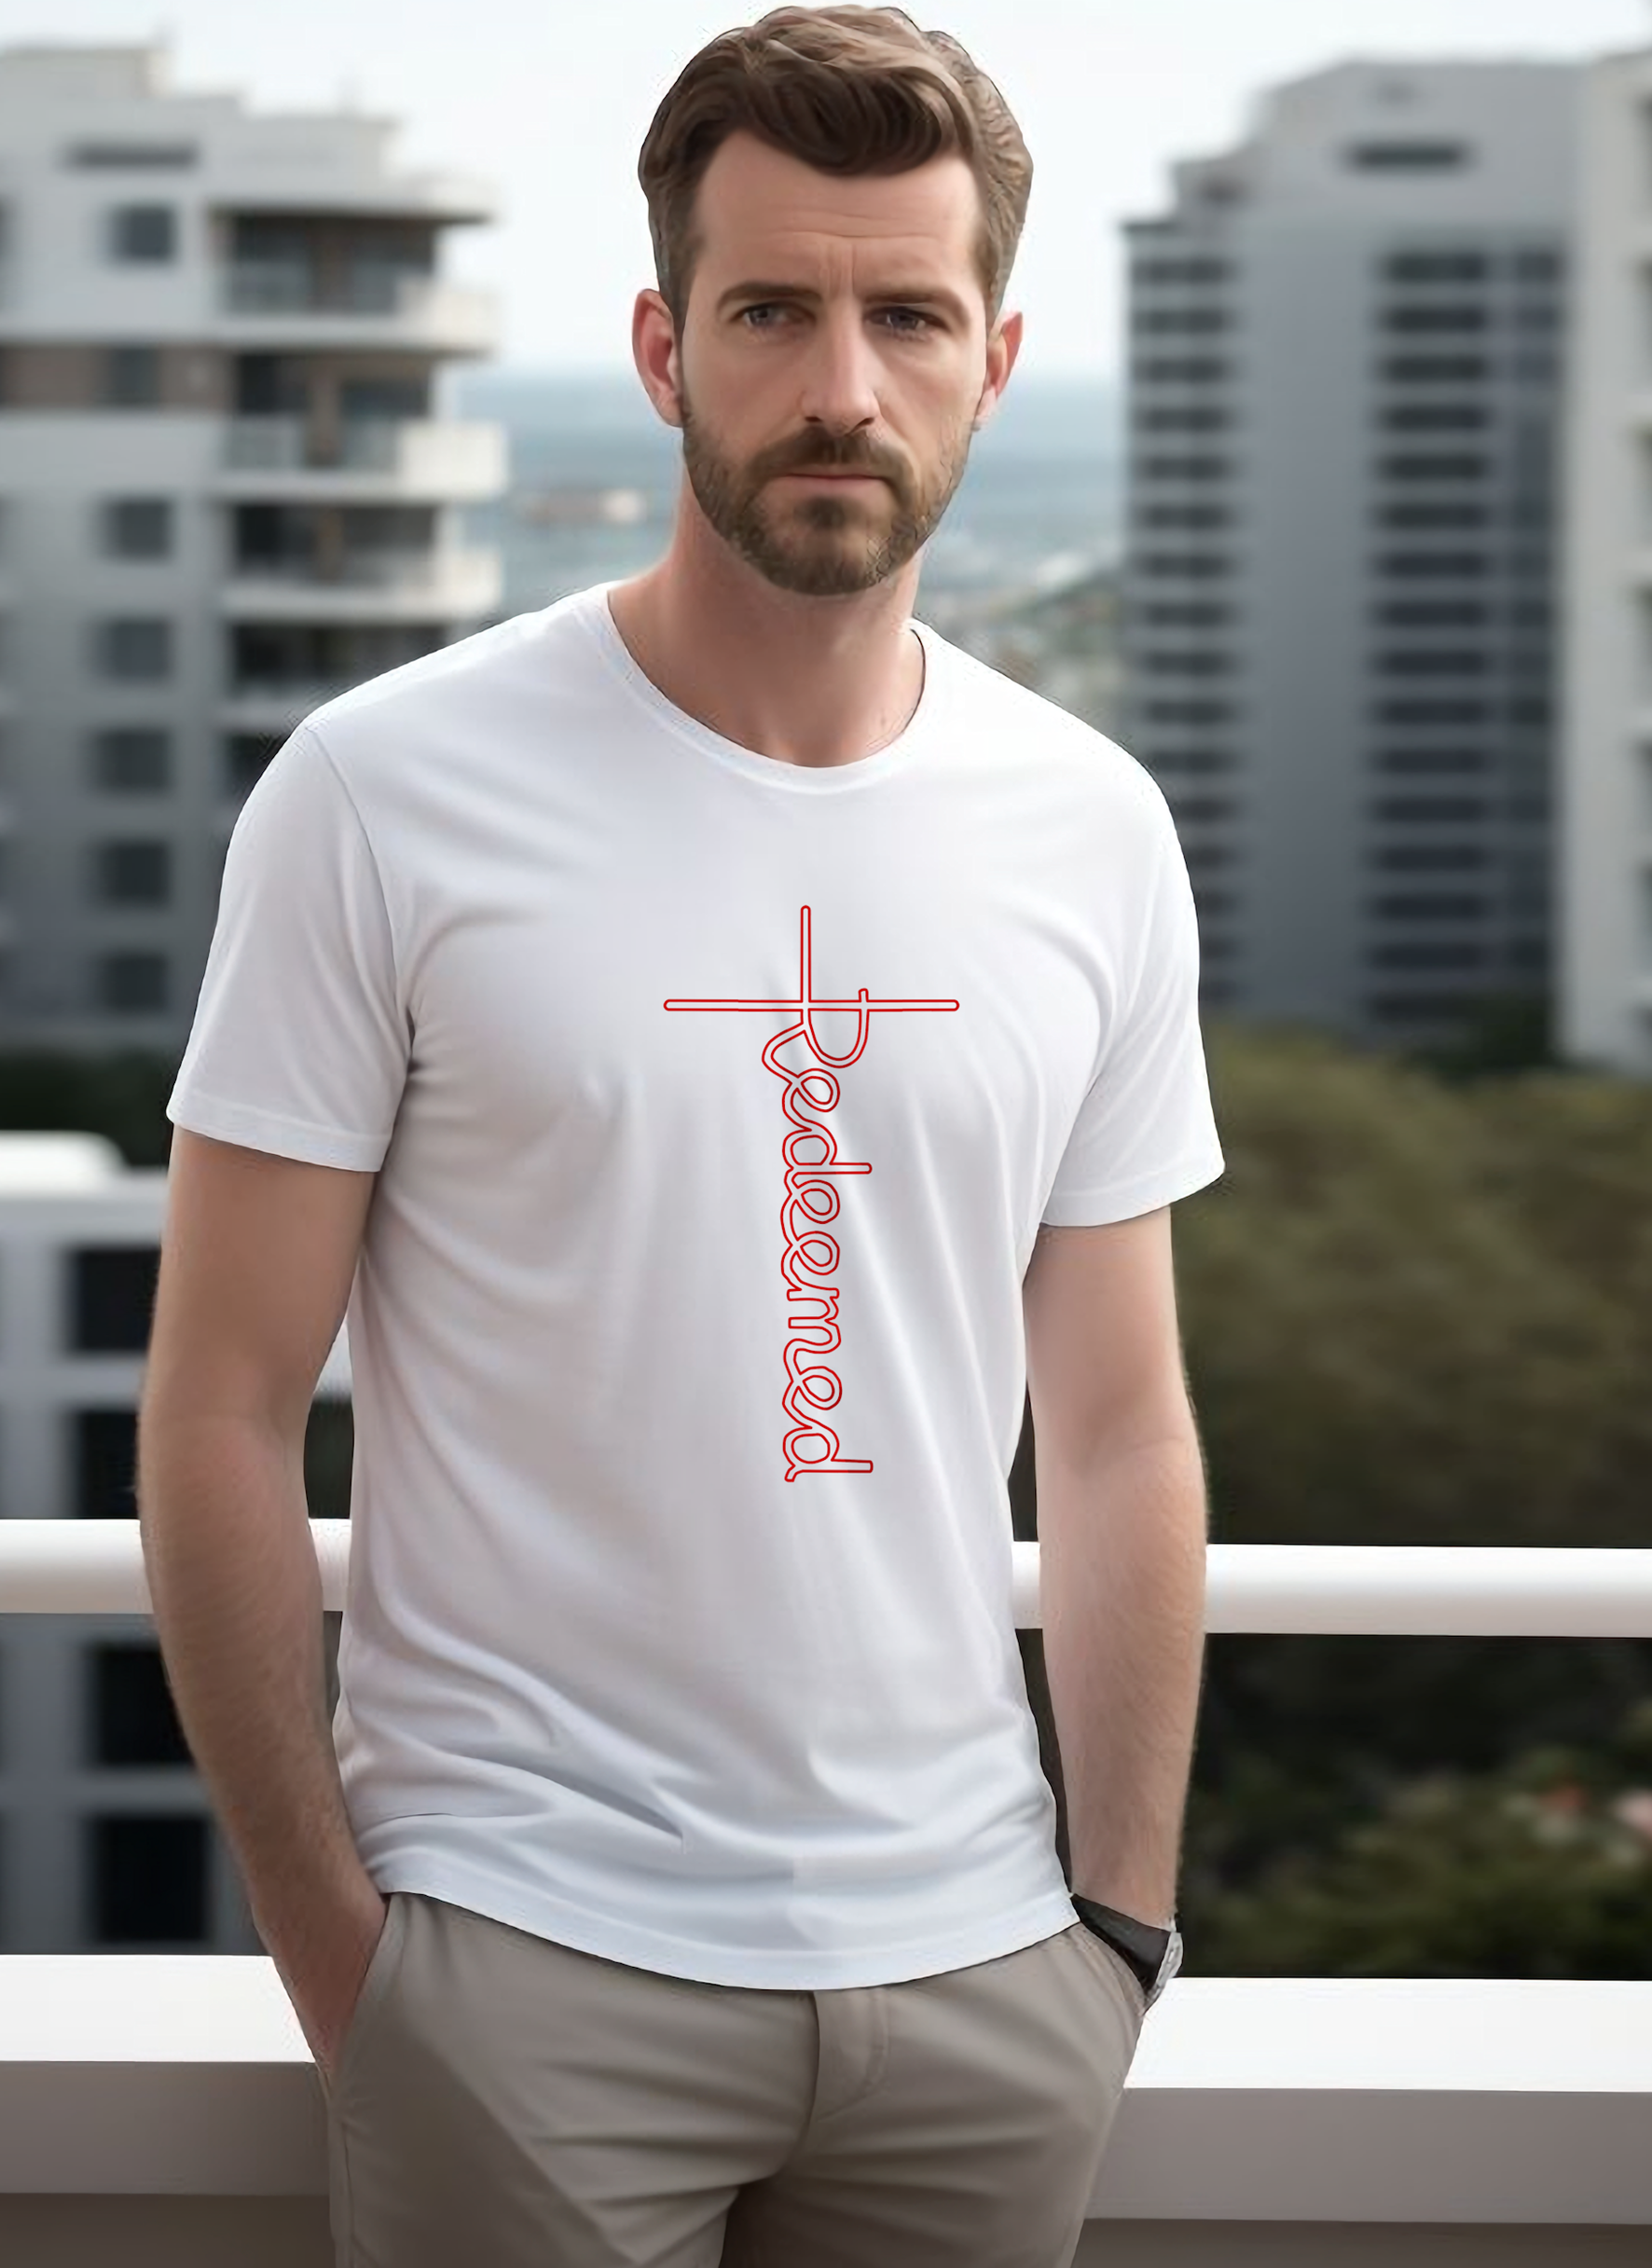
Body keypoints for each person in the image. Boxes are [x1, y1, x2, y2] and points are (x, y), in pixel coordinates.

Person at [137, 7, 1225, 2263]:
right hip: (522, 1961)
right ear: (661, 348)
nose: (841, 386)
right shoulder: (384, 792)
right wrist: (348, 1963)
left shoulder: (1090, 826)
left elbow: (1122, 1425)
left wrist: (1114, 1925)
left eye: (905, 317)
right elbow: (222, 1405)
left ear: (994, 363)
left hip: (981, 1976)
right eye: (768, 313)